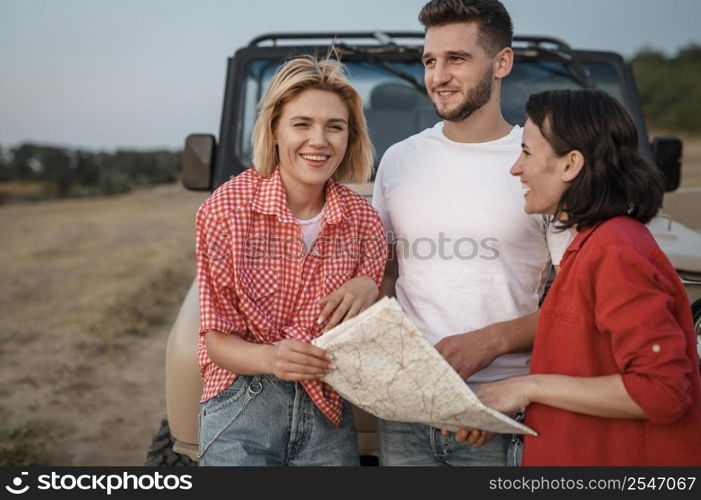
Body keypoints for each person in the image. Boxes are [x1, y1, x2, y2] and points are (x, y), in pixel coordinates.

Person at [372, 0, 572, 466]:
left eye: (456, 59)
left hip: (500, 410)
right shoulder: (398, 159)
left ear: (502, 62)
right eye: (429, 61)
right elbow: (386, 276)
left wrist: (493, 341)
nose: (438, 75)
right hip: (407, 410)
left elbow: (575, 305)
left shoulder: (540, 162)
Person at [467, 89, 701, 465]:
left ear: (570, 164)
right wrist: (510, 402)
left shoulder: (616, 250)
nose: (516, 168)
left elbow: (662, 392)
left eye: (527, 152)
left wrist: (526, 388)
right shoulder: (591, 246)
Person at [195, 56, 387, 466]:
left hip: (327, 409)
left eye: (334, 126)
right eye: (302, 124)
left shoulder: (364, 220)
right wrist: (272, 358)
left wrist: (372, 286)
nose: (319, 140)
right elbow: (216, 340)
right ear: (275, 131)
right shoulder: (226, 209)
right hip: (242, 403)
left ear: (350, 138)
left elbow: (372, 325)